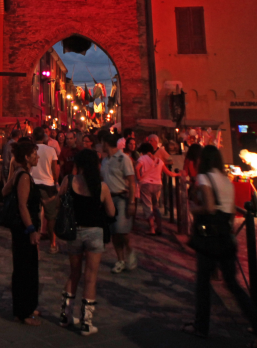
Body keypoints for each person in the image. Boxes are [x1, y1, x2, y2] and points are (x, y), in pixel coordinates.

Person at [187, 145, 257, 345]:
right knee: (233, 285)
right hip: (225, 236)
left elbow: (208, 206)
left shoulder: (204, 178)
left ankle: (201, 327)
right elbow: (231, 211)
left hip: (209, 238)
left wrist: (194, 209)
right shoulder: (226, 180)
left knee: (203, 284)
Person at [58, 148, 115, 336]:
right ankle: (86, 322)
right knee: (91, 277)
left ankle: (66, 315)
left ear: (79, 165)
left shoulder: (69, 180)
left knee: (74, 274)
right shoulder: (102, 186)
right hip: (95, 233)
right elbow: (111, 212)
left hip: (75, 232)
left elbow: (60, 198)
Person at [2, 137, 42, 325]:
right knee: (26, 269)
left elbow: (4, 191)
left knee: (22, 268)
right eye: (35, 154)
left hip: (19, 229)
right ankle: (24, 312)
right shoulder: (24, 176)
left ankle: (23, 308)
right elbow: (22, 205)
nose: (37, 158)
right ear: (27, 157)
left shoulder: (19, 173)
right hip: (25, 229)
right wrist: (32, 230)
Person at [100, 131, 137, 273]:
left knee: (122, 229)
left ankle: (129, 250)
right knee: (114, 231)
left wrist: (132, 202)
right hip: (108, 198)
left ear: (106, 143)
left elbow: (132, 182)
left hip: (121, 197)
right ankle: (120, 259)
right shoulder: (105, 160)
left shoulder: (123, 159)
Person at [136, 142, 178, 235]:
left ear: (143, 151)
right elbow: (169, 173)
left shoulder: (142, 158)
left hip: (146, 184)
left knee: (147, 207)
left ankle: (152, 229)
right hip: (158, 185)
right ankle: (160, 227)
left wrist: (139, 177)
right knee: (156, 207)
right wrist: (178, 174)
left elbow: (137, 167)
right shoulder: (159, 160)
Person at [31, 126, 61, 254]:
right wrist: (55, 181)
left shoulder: (31, 150)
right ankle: (52, 244)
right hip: (48, 185)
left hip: (33, 184)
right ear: (44, 137)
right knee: (51, 217)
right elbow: (55, 170)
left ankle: (35, 245)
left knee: (34, 216)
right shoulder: (51, 150)